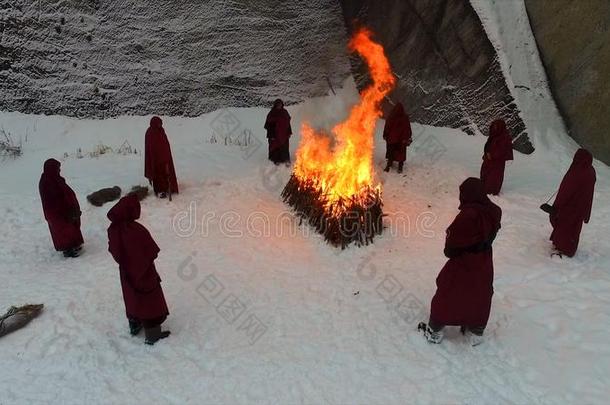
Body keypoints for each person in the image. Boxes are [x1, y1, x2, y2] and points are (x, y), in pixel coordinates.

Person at [420, 178, 502, 346]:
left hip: (464, 262)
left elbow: (451, 246)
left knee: (449, 291)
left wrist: (453, 248)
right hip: (484, 261)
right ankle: (475, 329)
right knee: (479, 292)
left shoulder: (468, 216)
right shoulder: (494, 211)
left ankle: (435, 331)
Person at [107, 195, 170, 345]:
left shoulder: (115, 229)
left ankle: (135, 322)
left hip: (127, 272)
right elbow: (150, 251)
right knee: (150, 300)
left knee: (132, 297)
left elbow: (114, 250)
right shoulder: (135, 230)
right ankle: (153, 335)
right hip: (144, 271)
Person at [548, 148, 596, 258]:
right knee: (573, 229)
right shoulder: (590, 171)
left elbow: (566, 190)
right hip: (581, 207)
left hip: (569, 207)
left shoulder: (578, 171)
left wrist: (557, 205)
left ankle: (562, 248)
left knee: (564, 227)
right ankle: (568, 247)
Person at [39, 158, 83, 258]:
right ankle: (68, 250)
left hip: (63, 210)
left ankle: (74, 245)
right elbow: (55, 199)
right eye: (58, 168)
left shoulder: (55, 178)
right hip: (56, 212)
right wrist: (65, 209)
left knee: (71, 228)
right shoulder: (47, 182)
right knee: (63, 230)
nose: (59, 170)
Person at [144, 116, 179, 198]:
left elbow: (165, 143)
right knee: (158, 176)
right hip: (155, 160)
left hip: (165, 158)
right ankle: (160, 191)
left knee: (167, 174)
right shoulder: (150, 132)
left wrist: (166, 155)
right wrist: (154, 158)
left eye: (161, 124)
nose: (160, 125)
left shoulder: (161, 131)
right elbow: (150, 148)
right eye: (159, 124)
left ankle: (169, 188)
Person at [480, 119, 513, 195]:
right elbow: (489, 145)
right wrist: (486, 154)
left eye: (496, 126)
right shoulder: (494, 135)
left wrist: (492, 155)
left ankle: (491, 191)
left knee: (494, 176)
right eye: (494, 126)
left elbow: (503, 150)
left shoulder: (504, 137)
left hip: (497, 162)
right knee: (485, 173)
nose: (494, 127)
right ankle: (484, 188)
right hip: (489, 159)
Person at [383, 102, 412, 173]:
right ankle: (400, 167)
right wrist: (408, 137)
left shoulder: (391, 116)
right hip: (402, 139)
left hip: (392, 139)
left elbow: (387, 126)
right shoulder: (405, 117)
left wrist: (385, 134)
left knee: (391, 151)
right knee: (401, 153)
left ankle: (388, 165)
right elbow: (408, 128)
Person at [264, 99, 292, 165]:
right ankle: (275, 160)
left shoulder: (285, 112)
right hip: (274, 134)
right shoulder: (272, 113)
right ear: (275, 105)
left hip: (284, 134)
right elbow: (268, 125)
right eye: (277, 104)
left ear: (282, 105)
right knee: (275, 147)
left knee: (284, 147)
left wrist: (289, 132)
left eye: (280, 104)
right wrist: (271, 136)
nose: (279, 106)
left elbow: (288, 123)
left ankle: (285, 160)